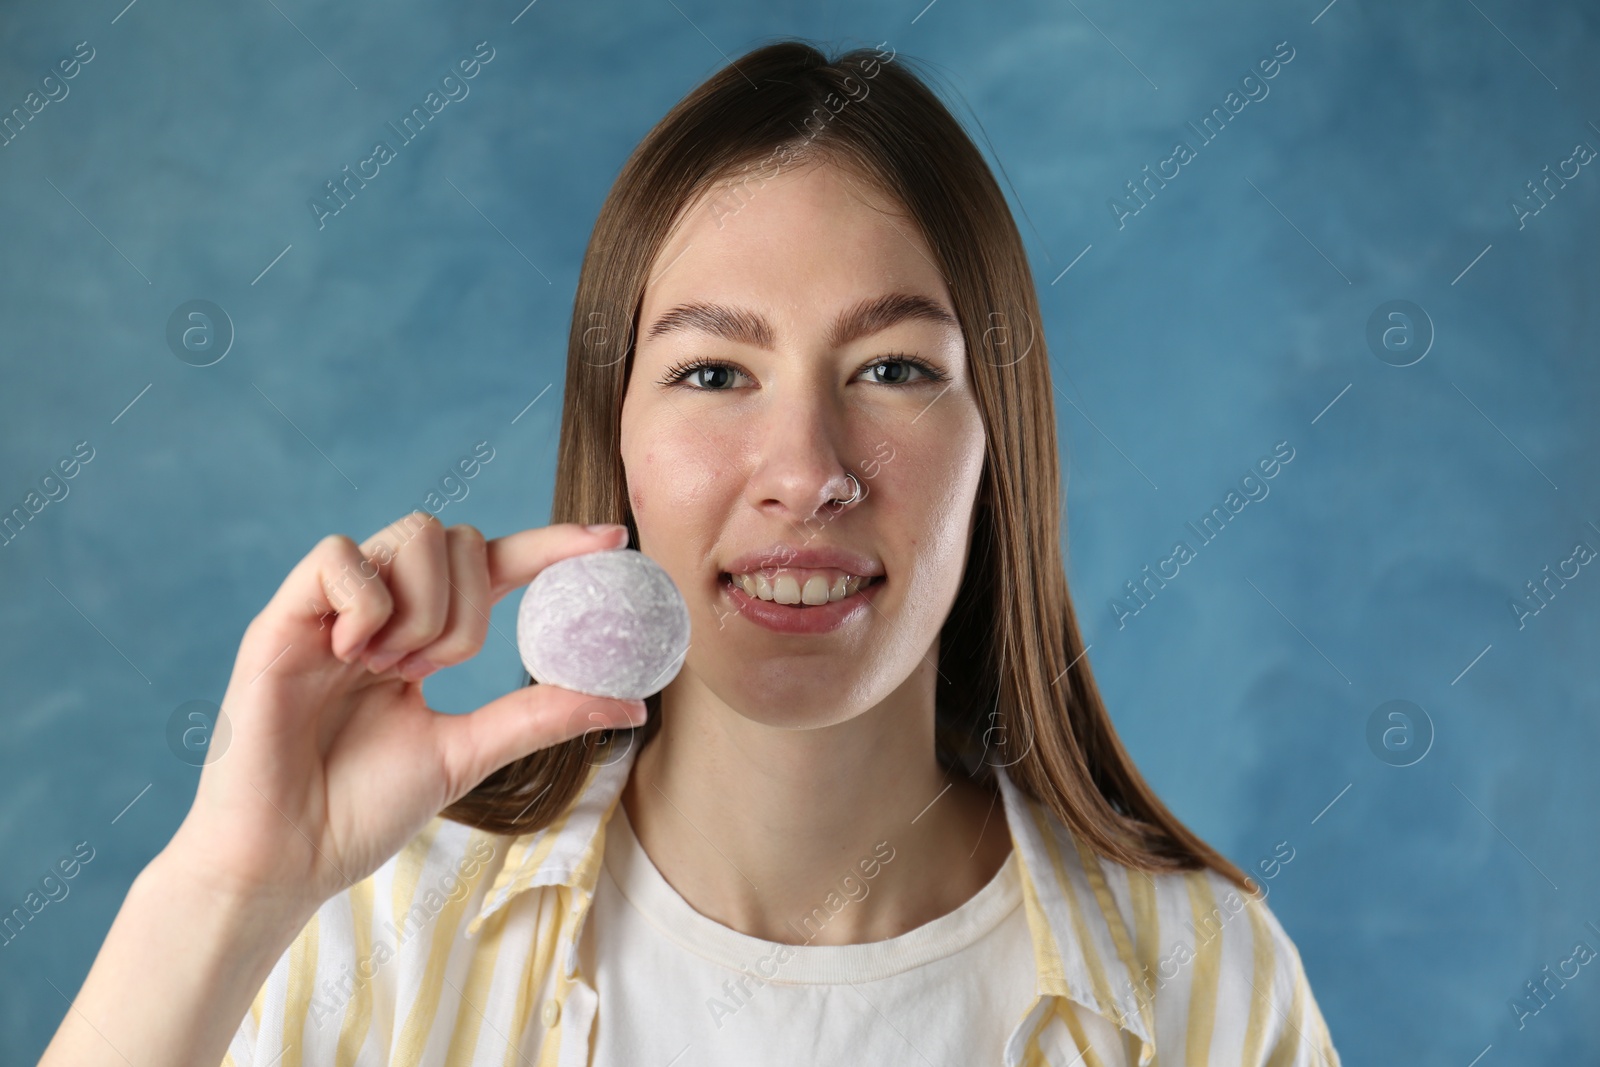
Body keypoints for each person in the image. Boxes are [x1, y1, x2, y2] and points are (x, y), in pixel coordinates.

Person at [40, 38, 1341, 1067]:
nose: (806, 470)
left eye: (892, 368)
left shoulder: (1207, 985)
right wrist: (229, 887)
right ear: (618, 443)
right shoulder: (379, 928)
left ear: (998, 442)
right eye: (715, 370)